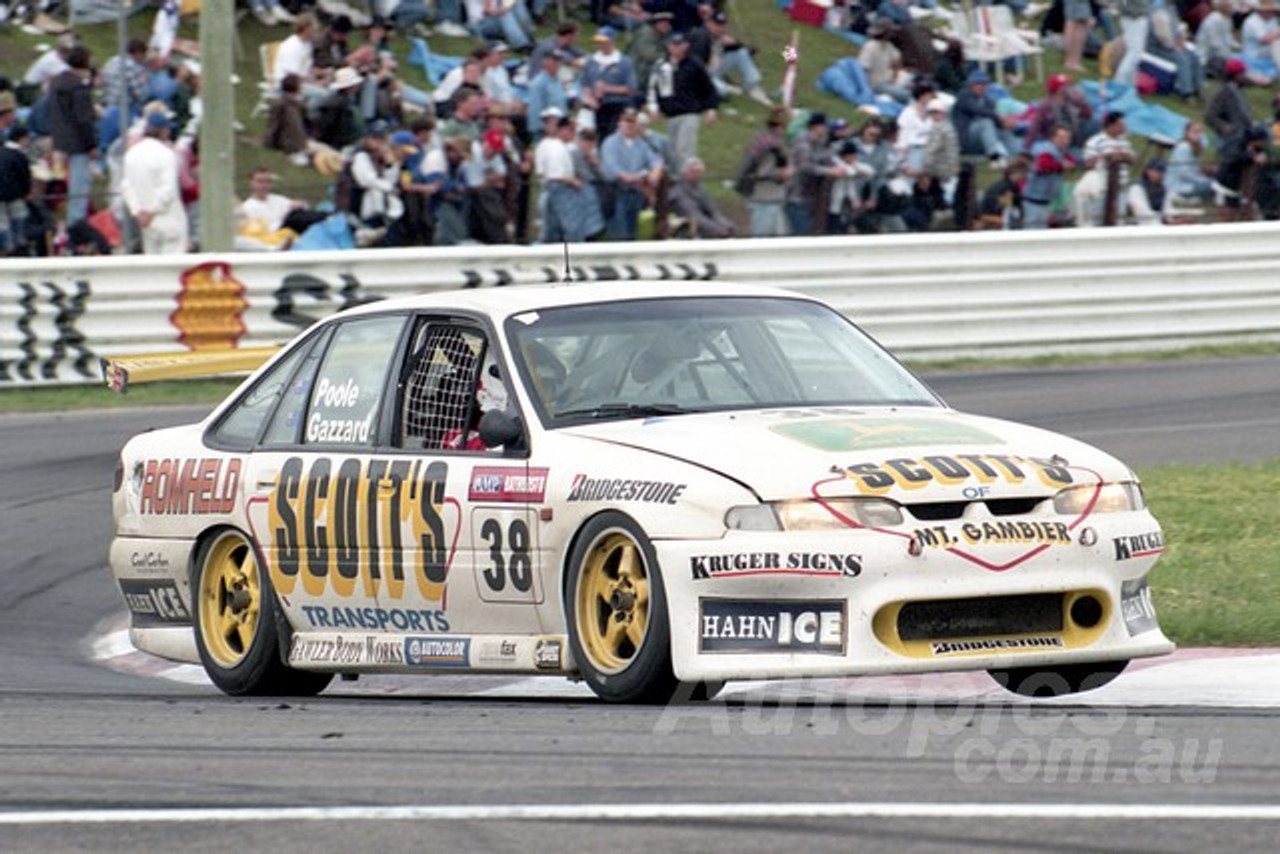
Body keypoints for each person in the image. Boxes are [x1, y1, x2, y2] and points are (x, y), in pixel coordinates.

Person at [646, 32, 718, 172]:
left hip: (689, 113)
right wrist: (654, 107)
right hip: (671, 115)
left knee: (685, 151)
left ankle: (685, 182)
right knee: (672, 151)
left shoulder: (694, 64)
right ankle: (676, 181)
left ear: (686, 46)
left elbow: (708, 87)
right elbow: (653, 87)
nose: (675, 48)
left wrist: (711, 108)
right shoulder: (661, 65)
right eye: (673, 45)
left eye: (679, 45)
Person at [121, 111, 187, 254]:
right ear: (163, 131)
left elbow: (126, 187)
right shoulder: (166, 154)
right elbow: (168, 190)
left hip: (146, 223)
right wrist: (151, 211)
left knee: (152, 267)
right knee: (172, 268)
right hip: (168, 218)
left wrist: (138, 211)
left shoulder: (131, 154)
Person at [46, 44, 97, 227]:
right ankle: (77, 227)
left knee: (61, 185)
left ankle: (63, 222)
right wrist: (92, 145)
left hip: (60, 140)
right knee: (79, 188)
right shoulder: (78, 89)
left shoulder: (57, 83)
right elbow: (84, 120)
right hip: (79, 144)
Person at [600, 107, 663, 240]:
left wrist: (655, 173)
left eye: (633, 122)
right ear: (620, 123)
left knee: (632, 231)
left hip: (636, 193)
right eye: (626, 121)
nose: (630, 125)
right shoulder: (610, 143)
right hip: (616, 193)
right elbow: (615, 171)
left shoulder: (641, 144)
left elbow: (655, 161)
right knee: (619, 232)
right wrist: (640, 175)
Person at [736, 106, 791, 237]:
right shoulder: (770, 145)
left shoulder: (763, 141)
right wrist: (782, 175)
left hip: (774, 198)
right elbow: (764, 172)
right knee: (763, 238)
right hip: (764, 198)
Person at [1074, 110, 1136, 226]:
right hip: (1101, 189)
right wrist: (1106, 157)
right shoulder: (1095, 141)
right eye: (1120, 125)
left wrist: (1124, 156)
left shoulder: (1124, 143)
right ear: (1111, 126)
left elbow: (1134, 161)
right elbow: (1088, 164)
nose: (1124, 128)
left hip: (1121, 187)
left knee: (1119, 219)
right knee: (1098, 219)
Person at [699, 9, 771, 106]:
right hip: (703, 73)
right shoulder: (700, 36)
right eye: (717, 24)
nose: (720, 28)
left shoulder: (721, 35)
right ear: (709, 23)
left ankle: (751, 81)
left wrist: (735, 43)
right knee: (722, 92)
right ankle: (725, 87)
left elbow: (745, 51)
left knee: (741, 53)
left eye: (722, 24)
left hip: (716, 69)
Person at [581, 27, 639, 140]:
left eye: (604, 42)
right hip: (596, 107)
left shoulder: (624, 62)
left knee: (614, 136)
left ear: (612, 42)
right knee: (598, 137)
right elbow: (585, 85)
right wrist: (590, 99)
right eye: (598, 42)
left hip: (617, 106)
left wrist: (607, 89)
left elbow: (631, 88)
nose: (601, 45)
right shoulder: (591, 61)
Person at [787, 111, 839, 236]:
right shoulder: (802, 142)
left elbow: (828, 159)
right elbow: (805, 166)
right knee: (802, 233)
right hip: (798, 196)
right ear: (816, 127)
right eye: (825, 126)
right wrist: (828, 171)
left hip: (815, 198)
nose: (827, 129)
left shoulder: (823, 143)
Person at [952, 69, 1012, 168]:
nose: (983, 87)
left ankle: (1013, 156)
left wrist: (1004, 122)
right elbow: (976, 109)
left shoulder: (988, 101)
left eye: (985, 84)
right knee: (986, 122)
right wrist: (997, 116)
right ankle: (995, 157)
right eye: (979, 84)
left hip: (983, 141)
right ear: (971, 85)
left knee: (1006, 130)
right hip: (966, 140)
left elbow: (995, 119)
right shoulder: (963, 96)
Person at [1023, 124, 1075, 229]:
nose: (1065, 141)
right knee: (1031, 233)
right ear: (1053, 138)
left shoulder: (1061, 151)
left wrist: (1066, 165)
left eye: (1067, 138)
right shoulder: (1046, 148)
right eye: (1062, 138)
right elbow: (1043, 165)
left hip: (1047, 202)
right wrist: (1061, 166)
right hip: (1033, 201)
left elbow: (1072, 162)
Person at [668, 157, 735, 238]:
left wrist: (728, 225)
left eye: (699, 172)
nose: (697, 175)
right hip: (686, 232)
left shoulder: (699, 190)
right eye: (693, 171)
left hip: (706, 228)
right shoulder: (678, 193)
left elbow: (714, 212)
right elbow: (694, 216)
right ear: (685, 172)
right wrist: (717, 229)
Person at [0, 97, 32, 256]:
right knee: (17, 220)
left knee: (4, 224)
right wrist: (25, 192)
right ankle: (18, 248)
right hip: (13, 191)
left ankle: (9, 249)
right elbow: (24, 175)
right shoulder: (15, 153)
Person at [826, 140, 875, 234]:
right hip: (833, 206)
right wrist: (857, 170)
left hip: (848, 205)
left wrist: (856, 168)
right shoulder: (837, 163)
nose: (855, 157)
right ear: (845, 155)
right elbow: (849, 172)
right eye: (853, 155)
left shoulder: (854, 164)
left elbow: (871, 171)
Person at [1205, 58, 1253, 149]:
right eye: (1242, 73)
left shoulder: (1240, 91)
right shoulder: (1223, 93)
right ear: (1235, 75)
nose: (1245, 76)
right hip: (1227, 140)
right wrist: (1226, 128)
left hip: (1241, 136)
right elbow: (1210, 115)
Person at [1166, 120, 1214, 202]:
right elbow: (1184, 173)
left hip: (1190, 182)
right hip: (1178, 186)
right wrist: (1203, 180)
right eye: (1195, 132)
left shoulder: (1196, 148)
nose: (1198, 135)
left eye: (1200, 132)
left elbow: (1197, 169)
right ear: (1187, 132)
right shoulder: (1183, 147)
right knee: (1213, 186)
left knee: (1215, 183)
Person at [1195, 0, 1238, 81]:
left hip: (1221, 53)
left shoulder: (1227, 19)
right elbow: (1214, 44)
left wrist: (1237, 47)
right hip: (1208, 56)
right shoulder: (1214, 19)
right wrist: (1228, 56)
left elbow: (1228, 39)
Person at [1114, 0, 1151, 88]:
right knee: (1134, 53)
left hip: (1132, 14)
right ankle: (1119, 83)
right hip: (1135, 16)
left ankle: (1130, 86)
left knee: (1134, 53)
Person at [1242, 0, 1280, 83]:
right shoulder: (1252, 21)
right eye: (1271, 11)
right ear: (1263, 11)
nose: (1273, 13)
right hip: (1256, 52)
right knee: (1277, 44)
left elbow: (1275, 35)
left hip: (1267, 50)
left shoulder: (1271, 20)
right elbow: (1264, 39)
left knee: (1276, 44)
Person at [1127, 158, 1173, 224]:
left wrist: (1171, 220)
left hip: (1159, 224)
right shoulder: (1137, 188)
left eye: (1163, 171)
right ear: (1148, 171)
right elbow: (1141, 212)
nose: (1160, 174)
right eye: (1157, 170)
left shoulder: (1164, 190)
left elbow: (1168, 209)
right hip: (1137, 226)